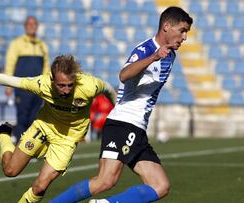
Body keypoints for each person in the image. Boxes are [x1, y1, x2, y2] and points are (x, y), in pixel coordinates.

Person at [50, 6, 193, 203]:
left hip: (137, 128)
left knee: (160, 186)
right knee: (105, 181)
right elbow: (124, 75)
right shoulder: (146, 50)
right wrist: (152, 57)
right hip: (124, 123)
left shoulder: (170, 54)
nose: (184, 37)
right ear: (167, 26)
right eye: (182, 31)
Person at [0, 54, 116, 202]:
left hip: (67, 140)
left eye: (70, 85)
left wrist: (117, 109)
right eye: (61, 85)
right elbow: (5, 79)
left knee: (40, 187)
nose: (66, 91)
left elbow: (108, 89)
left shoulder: (89, 85)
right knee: (10, 171)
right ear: (52, 79)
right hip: (44, 127)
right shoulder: (42, 84)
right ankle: (3, 135)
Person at [4, 16, 50, 142]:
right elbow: (10, 64)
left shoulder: (42, 45)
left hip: (37, 88)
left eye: (34, 24)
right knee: (22, 118)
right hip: (22, 87)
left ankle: (31, 148)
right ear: (25, 26)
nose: (32, 26)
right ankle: (20, 148)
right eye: (29, 24)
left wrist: (46, 84)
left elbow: (46, 67)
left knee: (35, 118)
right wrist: (8, 84)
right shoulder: (17, 43)